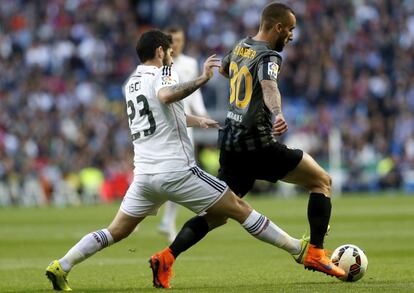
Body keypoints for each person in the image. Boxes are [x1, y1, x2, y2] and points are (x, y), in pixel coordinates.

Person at [45, 29, 311, 291]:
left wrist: (196, 121)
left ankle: (62, 265)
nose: (172, 57)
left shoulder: (131, 83)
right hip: (176, 171)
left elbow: (161, 114)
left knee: (116, 231)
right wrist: (201, 78)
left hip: (145, 177)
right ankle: (297, 249)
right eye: (170, 52)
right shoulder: (164, 72)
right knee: (239, 208)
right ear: (160, 51)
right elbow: (165, 96)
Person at [150, 2, 345, 288]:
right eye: (290, 30)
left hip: (230, 143)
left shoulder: (242, 46)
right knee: (321, 181)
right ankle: (315, 252)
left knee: (216, 215)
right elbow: (269, 86)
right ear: (277, 27)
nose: (291, 36)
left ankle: (166, 257)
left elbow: (226, 70)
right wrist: (277, 113)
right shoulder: (270, 55)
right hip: (258, 143)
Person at [158, 26, 210, 243]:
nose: (176, 43)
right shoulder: (158, 64)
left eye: (179, 39)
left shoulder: (189, 64)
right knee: (160, 171)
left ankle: (168, 221)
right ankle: (141, 215)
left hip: (184, 124)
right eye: (172, 39)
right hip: (162, 125)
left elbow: (193, 95)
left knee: (180, 171)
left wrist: (203, 114)